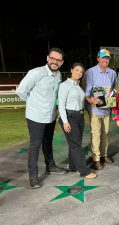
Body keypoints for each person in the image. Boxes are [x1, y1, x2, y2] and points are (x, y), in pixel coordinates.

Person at [16, 48, 68, 189]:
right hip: (35, 117)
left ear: (61, 62)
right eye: (53, 58)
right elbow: (20, 90)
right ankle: (33, 177)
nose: (55, 61)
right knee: (35, 146)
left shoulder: (59, 75)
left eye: (58, 60)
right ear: (47, 58)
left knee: (48, 143)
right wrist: (33, 103)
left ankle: (50, 167)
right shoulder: (36, 73)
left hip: (50, 116)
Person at [58, 63, 97, 179]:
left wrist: (92, 100)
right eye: (77, 70)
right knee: (76, 145)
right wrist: (65, 121)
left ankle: (73, 167)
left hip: (79, 117)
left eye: (81, 71)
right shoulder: (65, 85)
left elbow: (84, 101)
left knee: (74, 144)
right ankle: (84, 171)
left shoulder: (78, 86)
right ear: (71, 70)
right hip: (69, 117)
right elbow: (61, 104)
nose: (79, 73)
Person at [85, 49, 117, 170]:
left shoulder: (112, 73)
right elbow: (87, 92)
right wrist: (90, 100)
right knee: (96, 134)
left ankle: (104, 155)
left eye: (107, 58)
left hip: (107, 109)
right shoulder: (91, 72)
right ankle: (96, 159)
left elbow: (112, 90)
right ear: (98, 58)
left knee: (106, 133)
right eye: (103, 57)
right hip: (95, 110)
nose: (105, 60)